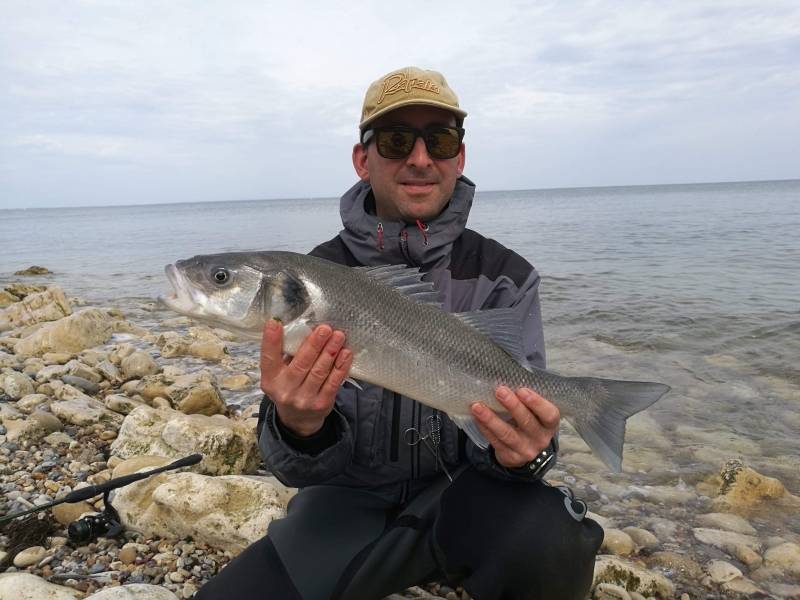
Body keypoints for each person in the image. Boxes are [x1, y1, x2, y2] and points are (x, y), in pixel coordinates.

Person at [196, 66, 602, 600]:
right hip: (346, 505)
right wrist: (298, 426)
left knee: (556, 541)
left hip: (470, 498)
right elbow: (292, 468)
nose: (419, 158)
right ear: (363, 159)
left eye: (439, 139)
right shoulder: (315, 276)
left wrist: (528, 454)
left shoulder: (507, 275)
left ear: (459, 156)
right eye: (395, 140)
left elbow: (524, 431)